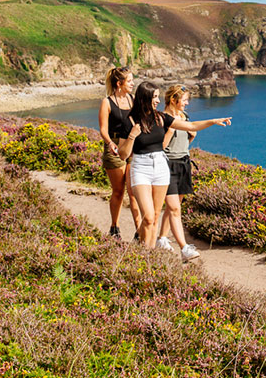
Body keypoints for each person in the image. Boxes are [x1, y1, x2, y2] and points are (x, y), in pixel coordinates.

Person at [118, 81, 230, 254]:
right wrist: (132, 136)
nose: (157, 101)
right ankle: (144, 253)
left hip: (161, 167)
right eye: (154, 97)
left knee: (155, 216)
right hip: (141, 168)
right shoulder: (129, 121)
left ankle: (148, 255)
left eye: (157, 97)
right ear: (144, 99)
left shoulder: (160, 118)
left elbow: (191, 126)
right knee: (147, 218)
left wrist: (213, 121)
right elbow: (123, 155)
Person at [157, 84, 201, 261]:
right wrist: (170, 130)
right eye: (184, 100)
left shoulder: (184, 117)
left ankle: (161, 238)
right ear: (174, 100)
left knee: (174, 206)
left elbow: (183, 143)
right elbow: (160, 147)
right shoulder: (163, 119)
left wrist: (191, 136)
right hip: (168, 165)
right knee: (174, 207)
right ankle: (184, 248)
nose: (187, 103)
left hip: (184, 163)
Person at [98, 66, 140, 239]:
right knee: (118, 191)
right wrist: (109, 143)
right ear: (119, 83)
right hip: (114, 148)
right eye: (129, 81)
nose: (132, 83)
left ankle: (140, 231)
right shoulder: (107, 102)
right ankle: (114, 227)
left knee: (134, 192)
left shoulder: (133, 100)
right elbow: (103, 129)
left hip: (131, 146)